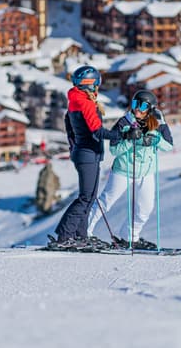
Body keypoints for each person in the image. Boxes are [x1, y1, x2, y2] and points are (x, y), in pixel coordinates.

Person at [86, 90, 174, 250]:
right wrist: (128, 139)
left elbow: (168, 146)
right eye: (135, 104)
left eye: (142, 106)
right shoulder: (124, 123)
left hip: (145, 173)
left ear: (151, 109)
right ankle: (84, 232)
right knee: (106, 202)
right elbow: (114, 150)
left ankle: (130, 237)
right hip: (123, 170)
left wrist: (155, 140)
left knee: (145, 208)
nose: (137, 109)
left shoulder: (158, 123)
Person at [53, 65, 123, 248]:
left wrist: (74, 146)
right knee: (86, 197)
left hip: (85, 152)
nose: (98, 89)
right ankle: (65, 235)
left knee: (90, 197)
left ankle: (79, 235)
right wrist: (119, 135)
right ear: (91, 84)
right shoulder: (84, 102)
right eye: (97, 85)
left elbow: (70, 128)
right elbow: (97, 131)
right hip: (87, 153)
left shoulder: (75, 100)